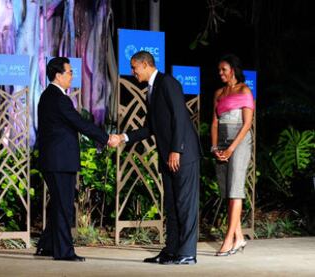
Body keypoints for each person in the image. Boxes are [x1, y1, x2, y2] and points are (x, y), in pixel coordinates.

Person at [116, 51, 202, 265]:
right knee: (172, 205)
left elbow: (180, 116)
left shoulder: (168, 83)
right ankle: (172, 250)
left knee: (185, 204)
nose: (132, 72)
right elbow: (150, 128)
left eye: (134, 67)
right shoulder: (151, 90)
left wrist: (176, 149)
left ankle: (188, 253)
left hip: (183, 154)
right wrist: (123, 137)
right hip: (168, 156)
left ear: (145, 65)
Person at [34, 57, 119, 261]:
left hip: (55, 160)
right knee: (63, 206)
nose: (73, 76)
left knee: (58, 203)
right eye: (70, 72)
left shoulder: (48, 96)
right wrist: (106, 137)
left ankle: (47, 245)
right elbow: (78, 122)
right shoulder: (58, 98)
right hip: (59, 161)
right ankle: (64, 252)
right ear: (58, 75)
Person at [211, 54, 254, 256]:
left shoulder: (245, 90)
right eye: (219, 70)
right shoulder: (219, 93)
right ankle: (240, 239)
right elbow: (214, 122)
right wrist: (215, 147)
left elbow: (247, 124)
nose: (220, 73)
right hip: (221, 141)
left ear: (233, 70)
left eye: (224, 70)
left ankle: (229, 240)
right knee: (227, 190)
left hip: (240, 141)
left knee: (235, 189)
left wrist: (231, 149)